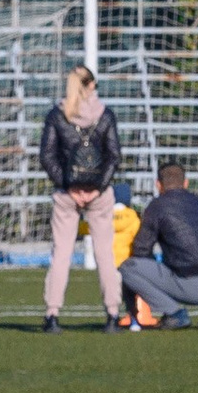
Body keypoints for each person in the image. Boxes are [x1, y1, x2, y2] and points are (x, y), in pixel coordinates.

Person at [39, 64, 125, 333]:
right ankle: (112, 313)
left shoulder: (57, 115)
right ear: (92, 85)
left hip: (67, 193)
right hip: (99, 194)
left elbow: (47, 156)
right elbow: (114, 155)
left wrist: (68, 186)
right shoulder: (105, 115)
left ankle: (52, 314)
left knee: (61, 254)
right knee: (105, 254)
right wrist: (97, 187)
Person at [115, 161, 198, 329]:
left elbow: (141, 249)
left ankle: (174, 313)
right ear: (186, 183)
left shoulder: (158, 206)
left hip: (191, 286)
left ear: (158, 184)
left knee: (128, 268)